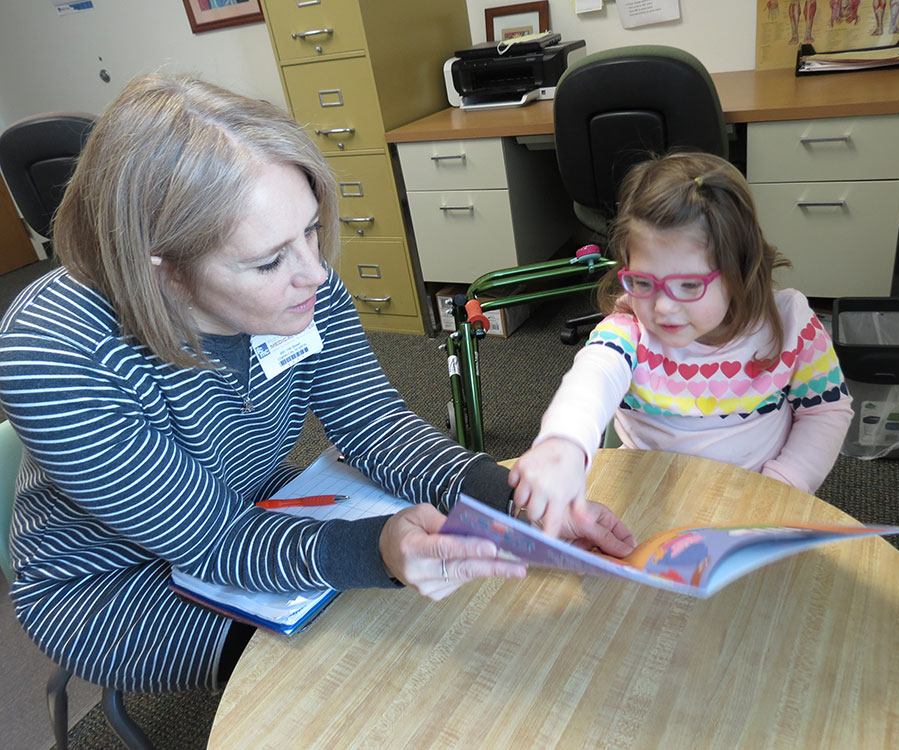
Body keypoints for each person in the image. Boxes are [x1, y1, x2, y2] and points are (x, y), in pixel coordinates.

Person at [0, 73, 635, 694]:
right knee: (353, 667)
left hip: (252, 503)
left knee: (418, 615)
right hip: (111, 582)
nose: (316, 274)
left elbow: (376, 428)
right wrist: (376, 552)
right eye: (268, 260)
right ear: (162, 270)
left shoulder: (301, 283)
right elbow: (214, 543)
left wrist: (514, 501)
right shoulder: (55, 351)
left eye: (309, 230)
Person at [509, 152, 854, 534]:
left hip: (752, 507)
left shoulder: (789, 324)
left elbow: (825, 412)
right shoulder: (629, 328)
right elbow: (593, 378)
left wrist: (784, 483)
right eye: (643, 282)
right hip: (650, 502)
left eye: (689, 285)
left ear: (739, 271)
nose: (663, 307)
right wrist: (563, 443)